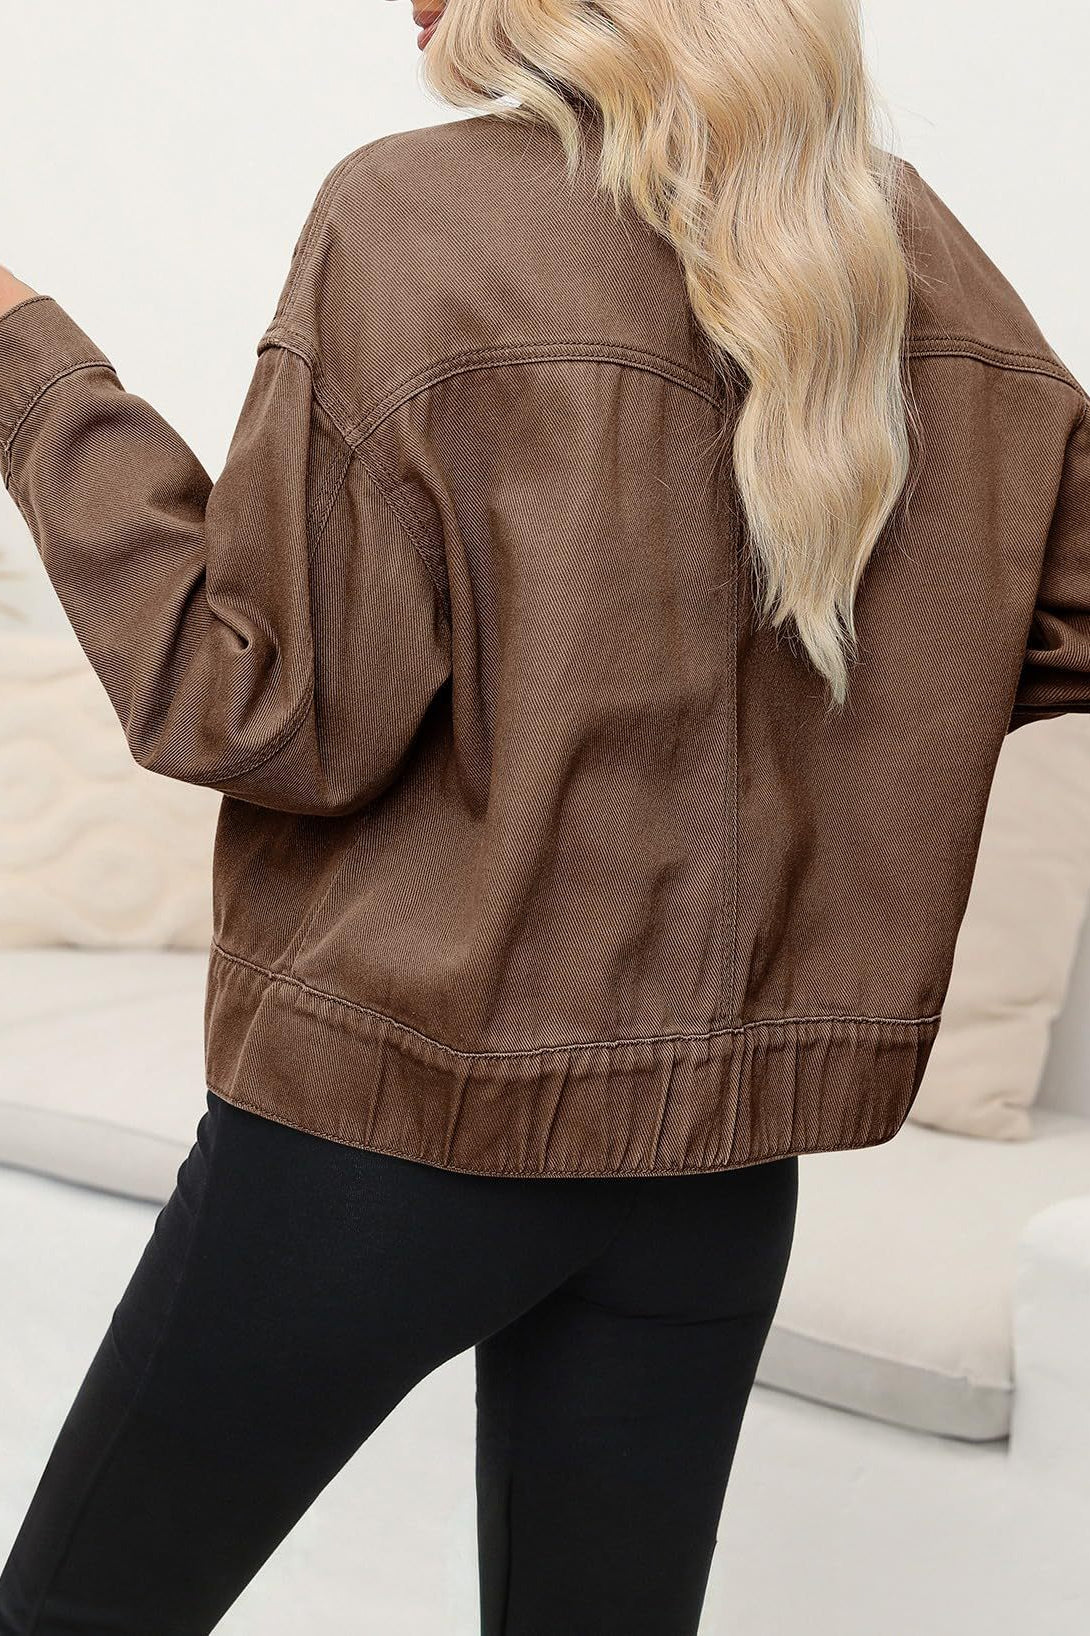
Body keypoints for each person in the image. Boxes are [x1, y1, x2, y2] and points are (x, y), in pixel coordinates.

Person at [0, 0, 1087, 1631]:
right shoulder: (888, 238)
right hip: (717, 1169)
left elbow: (254, 710)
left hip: (384, 1148)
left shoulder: (412, 208)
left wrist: (28, 362)